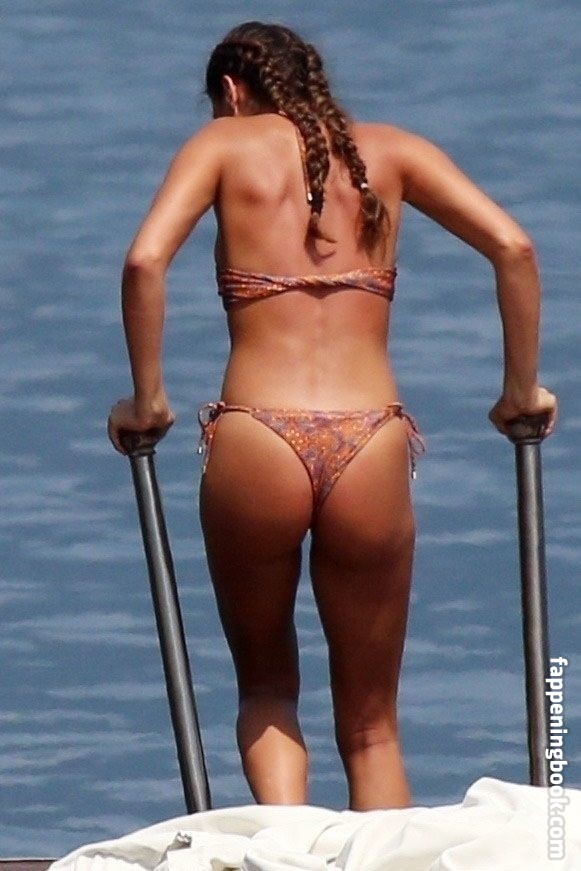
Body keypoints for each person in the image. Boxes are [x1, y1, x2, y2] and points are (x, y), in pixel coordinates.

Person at [107, 21, 558, 810]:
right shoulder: (392, 152)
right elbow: (512, 248)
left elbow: (146, 260)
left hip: (256, 435)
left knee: (267, 688)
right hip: (369, 440)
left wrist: (148, 398)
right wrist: (520, 388)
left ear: (231, 91)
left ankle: (282, 851)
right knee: (373, 724)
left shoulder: (221, 146)